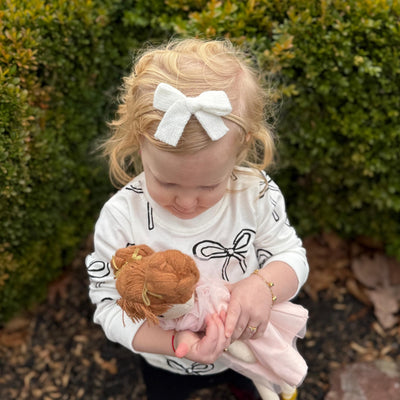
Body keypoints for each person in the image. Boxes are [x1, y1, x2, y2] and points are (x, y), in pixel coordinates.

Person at [85, 38, 309, 400]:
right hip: (168, 359)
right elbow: (109, 305)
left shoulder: (254, 193)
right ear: (140, 143)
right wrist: (174, 342)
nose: (187, 202)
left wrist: (265, 286)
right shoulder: (121, 218)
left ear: (241, 146)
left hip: (246, 348)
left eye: (209, 184)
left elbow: (291, 255)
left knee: (248, 386)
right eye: (167, 181)